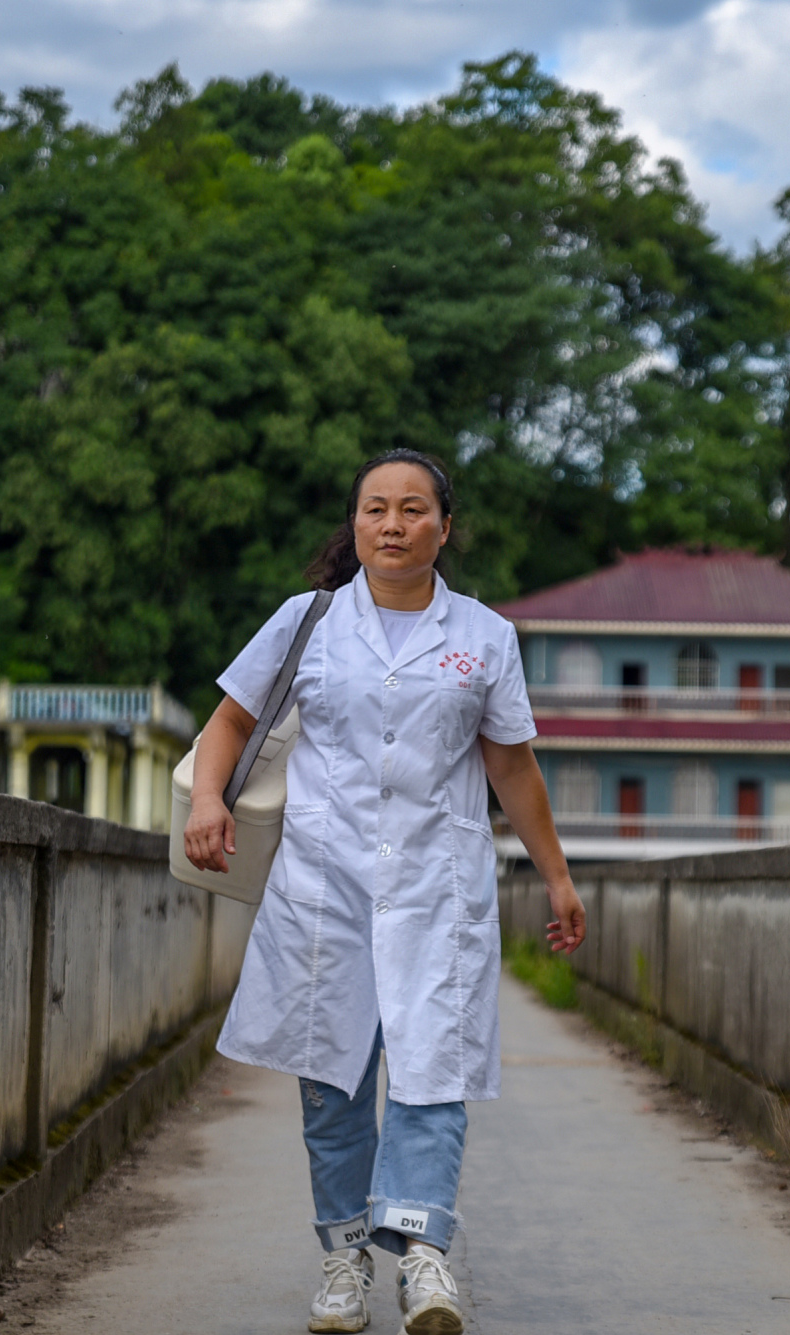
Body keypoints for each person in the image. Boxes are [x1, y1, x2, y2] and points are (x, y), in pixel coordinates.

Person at [184, 448, 586, 1335]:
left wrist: (556, 874)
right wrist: (208, 799)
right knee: (331, 1078)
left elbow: (511, 765)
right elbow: (232, 719)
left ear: (444, 526)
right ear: (355, 523)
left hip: (437, 888)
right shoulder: (308, 622)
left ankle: (425, 1260)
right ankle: (343, 1258)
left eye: (412, 509)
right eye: (376, 509)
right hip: (322, 888)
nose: (393, 525)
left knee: (431, 1071)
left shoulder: (484, 636)